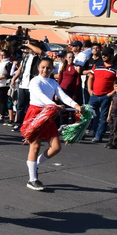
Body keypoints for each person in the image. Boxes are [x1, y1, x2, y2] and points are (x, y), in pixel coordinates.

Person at [23, 58, 81, 191]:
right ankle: (32, 179)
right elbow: (41, 96)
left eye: (48, 68)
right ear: (38, 67)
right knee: (35, 146)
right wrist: (55, 106)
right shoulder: (34, 81)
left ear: (52, 69)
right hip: (36, 114)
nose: (45, 70)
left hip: (49, 114)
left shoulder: (53, 82)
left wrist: (76, 105)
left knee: (56, 147)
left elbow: (63, 96)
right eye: (43, 67)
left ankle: (34, 164)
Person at [87, 47, 117, 142]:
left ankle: (98, 135)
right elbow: (91, 77)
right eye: (103, 54)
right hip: (94, 95)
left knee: (103, 117)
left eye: (106, 55)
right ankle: (88, 131)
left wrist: (111, 94)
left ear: (111, 56)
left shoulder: (116, 67)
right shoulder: (97, 64)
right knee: (88, 114)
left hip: (106, 96)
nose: (103, 56)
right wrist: (89, 90)